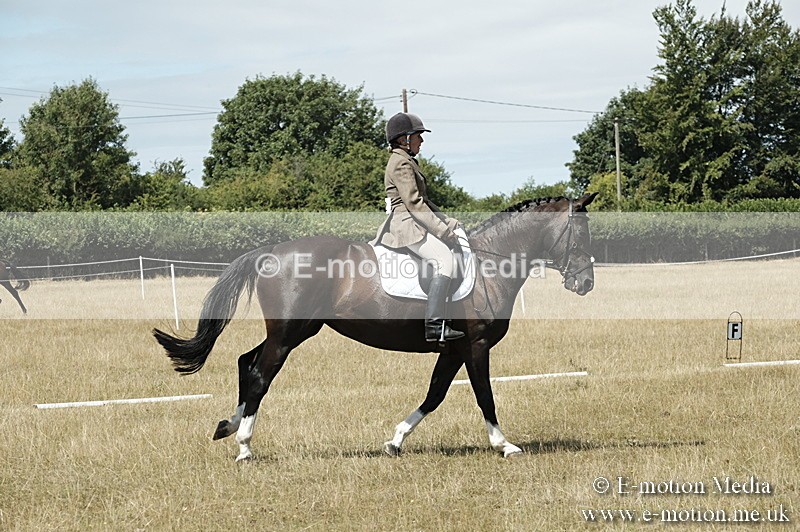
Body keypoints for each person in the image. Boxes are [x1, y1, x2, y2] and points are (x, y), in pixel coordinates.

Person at [373, 112, 464, 342]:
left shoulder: (407, 160)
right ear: (404, 139)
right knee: (445, 261)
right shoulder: (401, 162)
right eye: (418, 137)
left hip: (414, 221)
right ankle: (435, 325)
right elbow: (414, 204)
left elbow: (425, 202)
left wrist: (448, 222)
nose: (421, 141)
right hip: (406, 225)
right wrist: (443, 232)